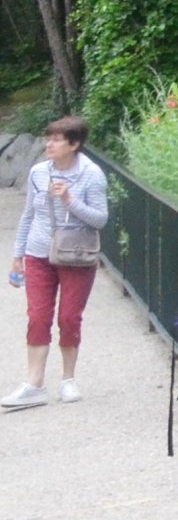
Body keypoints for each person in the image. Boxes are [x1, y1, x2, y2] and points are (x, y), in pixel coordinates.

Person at [6, 113, 107, 408]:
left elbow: (100, 220)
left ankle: (67, 379)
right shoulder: (38, 172)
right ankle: (34, 384)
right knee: (38, 316)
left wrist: (70, 200)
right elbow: (28, 215)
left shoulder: (91, 174)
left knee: (68, 317)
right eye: (48, 138)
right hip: (38, 253)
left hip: (75, 255)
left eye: (56, 139)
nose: (48, 144)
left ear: (74, 144)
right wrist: (17, 255)